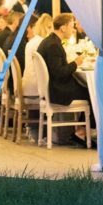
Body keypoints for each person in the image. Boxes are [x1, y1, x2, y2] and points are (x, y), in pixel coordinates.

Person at [37, 14, 90, 144]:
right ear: (63, 28)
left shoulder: (49, 41)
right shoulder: (53, 45)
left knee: (88, 89)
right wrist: (75, 63)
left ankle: (81, 131)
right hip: (57, 90)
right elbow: (59, 72)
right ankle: (82, 132)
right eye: (71, 27)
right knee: (93, 93)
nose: (73, 30)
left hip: (52, 87)